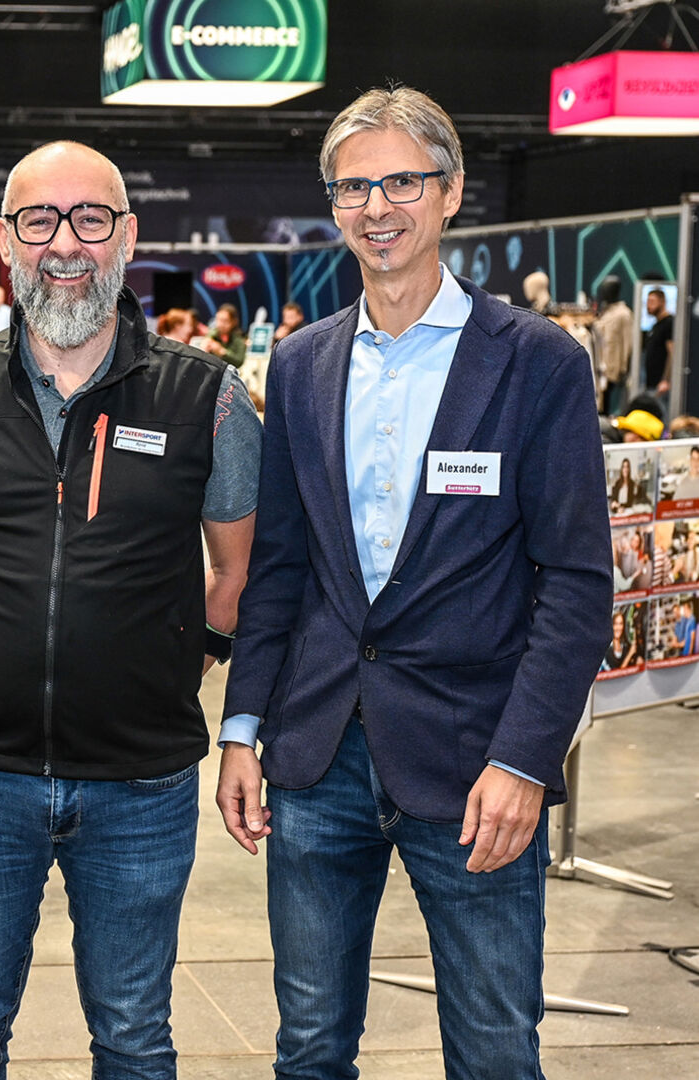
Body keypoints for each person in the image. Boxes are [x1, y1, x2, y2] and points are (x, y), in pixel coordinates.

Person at [216, 86, 612, 1080]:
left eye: (401, 180)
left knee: (489, 1047)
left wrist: (525, 761)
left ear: (449, 194)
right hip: (314, 758)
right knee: (308, 1047)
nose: (375, 206)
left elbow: (571, 582)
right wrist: (239, 729)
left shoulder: (535, 364)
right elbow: (279, 571)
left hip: (473, 763)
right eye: (352, 186)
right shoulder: (302, 364)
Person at [0, 140, 261, 1078]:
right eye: (39, 221)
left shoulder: (204, 396)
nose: (66, 244)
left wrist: (189, 653)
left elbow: (236, 569)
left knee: (135, 1035)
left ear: (127, 237)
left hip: (141, 783)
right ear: (3, 240)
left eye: (91, 220)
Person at [594, 276, 634, 414]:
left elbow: (627, 342)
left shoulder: (624, 314)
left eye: (608, 289)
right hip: (600, 365)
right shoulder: (606, 312)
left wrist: (624, 368)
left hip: (612, 367)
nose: (605, 293)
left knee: (606, 401)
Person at [645, 287, 675, 395]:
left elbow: (672, 352)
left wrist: (666, 380)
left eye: (652, 301)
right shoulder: (655, 325)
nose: (648, 305)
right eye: (647, 302)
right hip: (651, 383)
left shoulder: (669, 323)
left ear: (662, 302)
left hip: (661, 386)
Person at [203, 302, 247, 368]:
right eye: (218, 320)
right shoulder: (212, 335)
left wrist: (222, 352)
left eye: (225, 321)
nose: (221, 324)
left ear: (233, 322)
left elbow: (239, 361)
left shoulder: (238, 339)